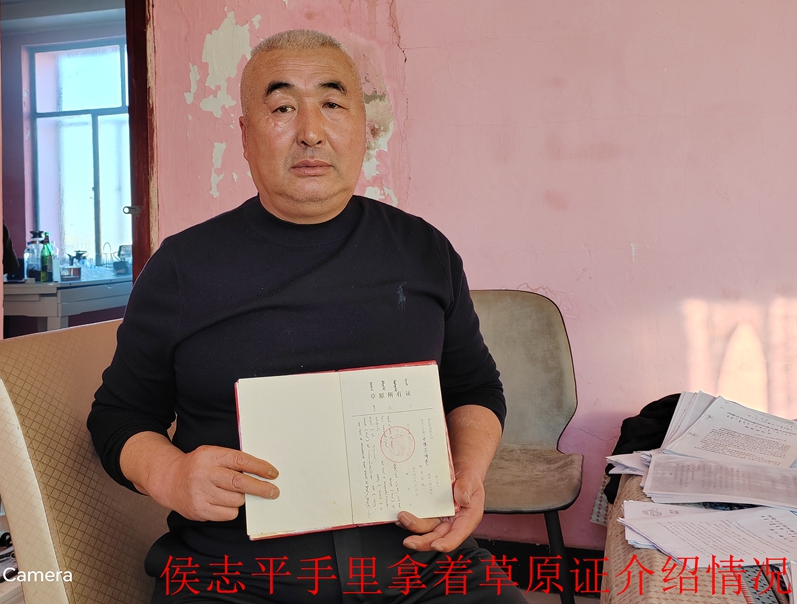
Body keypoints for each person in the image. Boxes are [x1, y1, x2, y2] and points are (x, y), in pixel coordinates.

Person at [88, 29, 527, 603]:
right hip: (235, 577)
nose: (311, 131)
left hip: (423, 567)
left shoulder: (424, 250)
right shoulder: (182, 267)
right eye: (282, 108)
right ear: (244, 135)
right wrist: (170, 475)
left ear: (364, 128)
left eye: (332, 104)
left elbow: (474, 387)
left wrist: (467, 476)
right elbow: (118, 417)